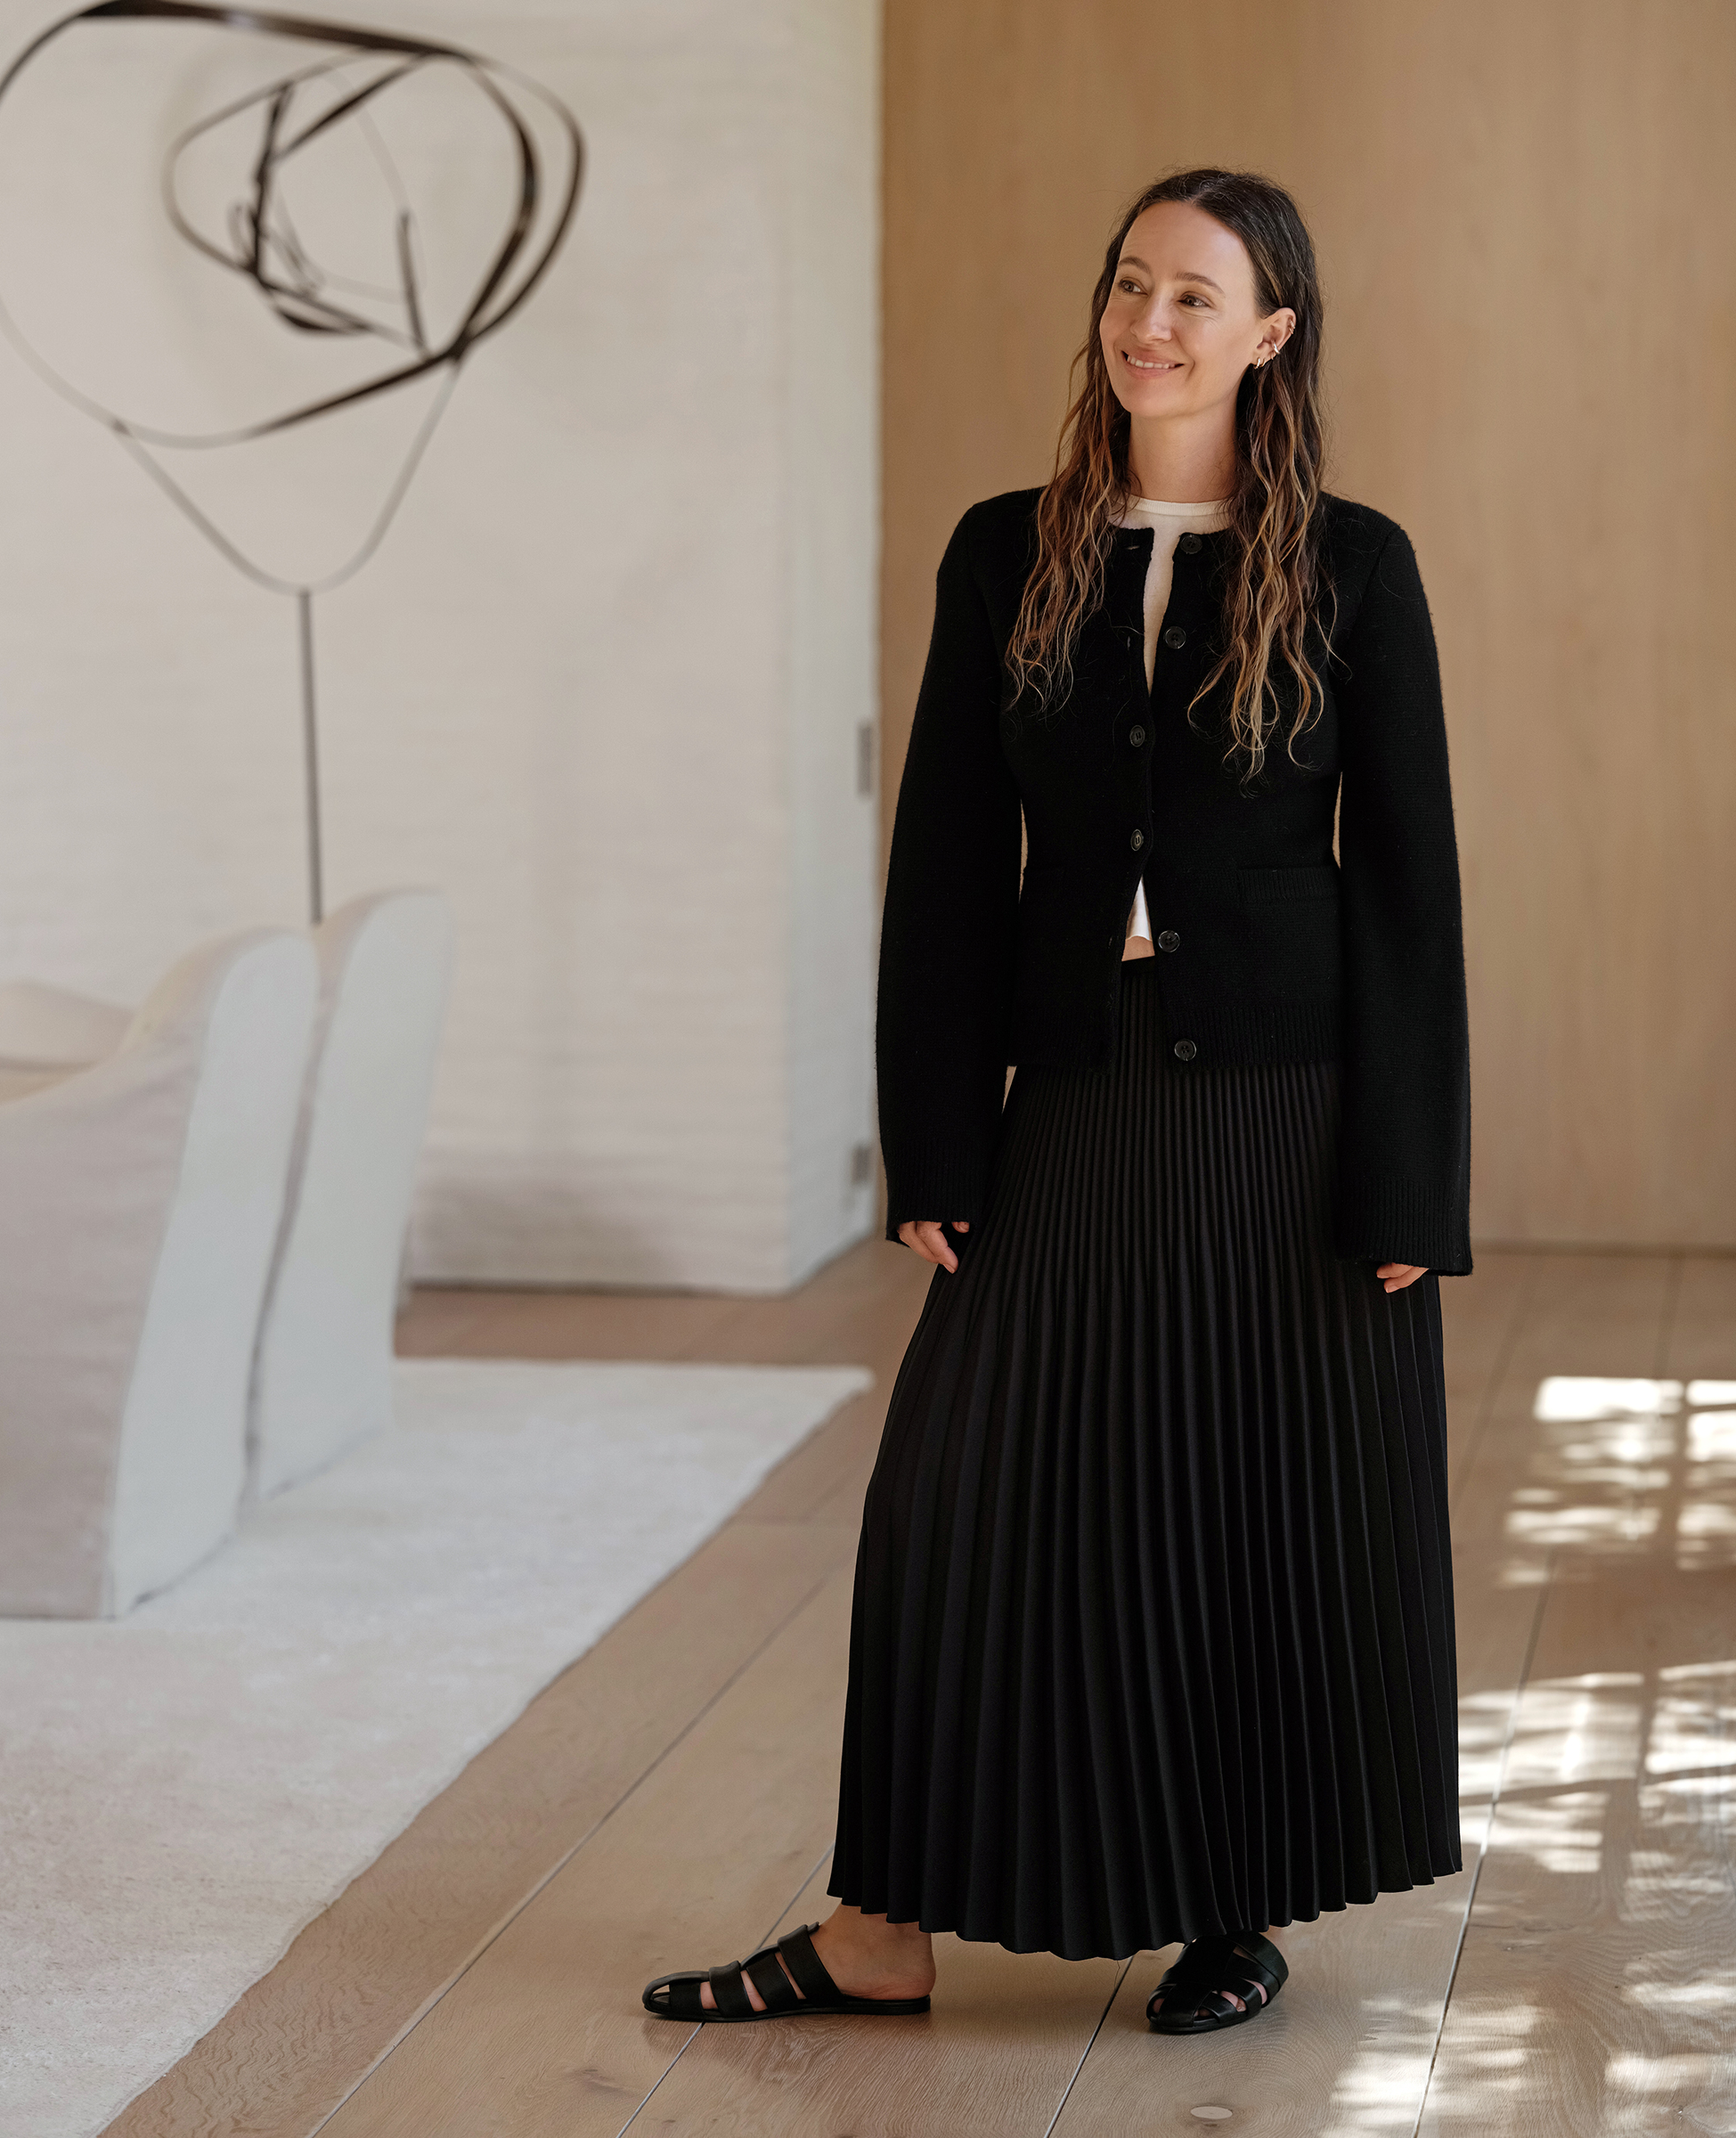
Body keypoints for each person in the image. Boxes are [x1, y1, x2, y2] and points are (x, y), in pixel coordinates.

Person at [644, 166, 1470, 2036]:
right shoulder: (1003, 546)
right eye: (1126, 285)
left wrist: (1412, 1187)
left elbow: (1410, 890)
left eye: (1192, 296)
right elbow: (944, 858)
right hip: (1068, 1103)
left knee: (1251, 1508)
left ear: (1270, 334)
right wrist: (931, 1133)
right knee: (960, 1499)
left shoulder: (1354, 568)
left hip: (1289, 1117)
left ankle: (1232, 1910)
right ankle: (877, 1931)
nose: (1146, 322)